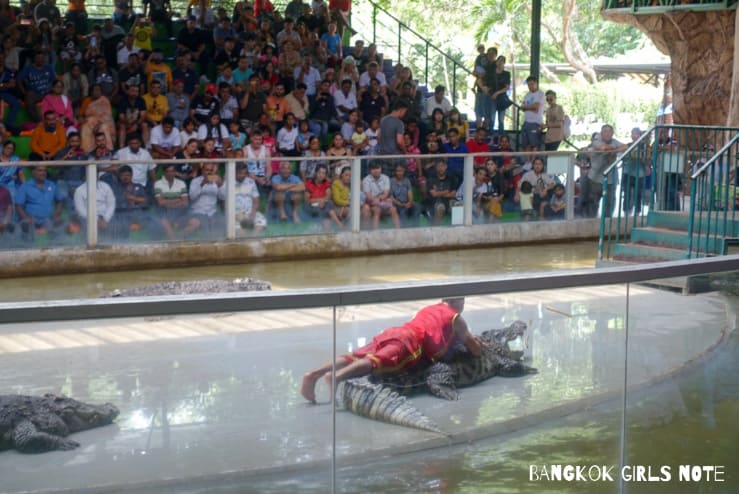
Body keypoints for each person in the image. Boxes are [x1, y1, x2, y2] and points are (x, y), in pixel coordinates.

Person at [300, 297, 483, 403]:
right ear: (460, 303)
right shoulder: (457, 318)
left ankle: (313, 374)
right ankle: (336, 377)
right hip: (409, 341)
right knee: (374, 362)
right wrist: (480, 348)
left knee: (355, 355)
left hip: (396, 331)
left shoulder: (431, 307)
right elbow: (474, 349)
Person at [225, 162, 267, 237]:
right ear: (234, 172)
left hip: (249, 211)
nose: (243, 175)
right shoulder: (228, 182)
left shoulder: (250, 182)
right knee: (233, 224)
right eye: (240, 173)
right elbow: (224, 202)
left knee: (261, 221)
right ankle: (244, 236)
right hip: (235, 212)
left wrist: (253, 213)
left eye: (245, 173)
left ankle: (253, 236)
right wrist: (236, 215)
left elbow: (256, 199)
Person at [154, 163, 189, 240]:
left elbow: (185, 202)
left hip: (178, 210)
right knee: (163, 217)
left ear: (175, 172)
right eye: (168, 171)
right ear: (164, 172)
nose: (170, 173)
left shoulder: (181, 183)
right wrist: (177, 199)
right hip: (165, 211)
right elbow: (160, 202)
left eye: (172, 171)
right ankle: (174, 240)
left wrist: (167, 200)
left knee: (186, 211)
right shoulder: (158, 183)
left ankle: (177, 239)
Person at [362, 161, 400, 229]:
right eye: (373, 169)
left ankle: (398, 231)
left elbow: (386, 193)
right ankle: (375, 232)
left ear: (381, 168)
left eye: (377, 168)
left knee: (394, 209)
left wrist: (379, 199)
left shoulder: (386, 178)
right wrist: (380, 198)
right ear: (370, 170)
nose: (376, 171)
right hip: (371, 203)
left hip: (383, 202)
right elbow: (369, 196)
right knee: (377, 210)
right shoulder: (366, 180)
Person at [518, 76, 545, 153]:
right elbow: (522, 108)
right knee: (526, 144)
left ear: (536, 83)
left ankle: (533, 162)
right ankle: (527, 162)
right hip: (526, 121)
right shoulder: (527, 95)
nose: (530, 86)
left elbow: (536, 108)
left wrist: (526, 107)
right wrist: (529, 107)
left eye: (532, 84)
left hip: (536, 122)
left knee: (534, 144)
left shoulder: (540, 94)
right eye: (528, 85)